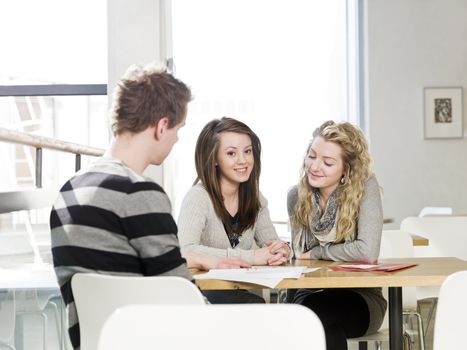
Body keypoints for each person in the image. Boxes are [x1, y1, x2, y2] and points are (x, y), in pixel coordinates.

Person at [49, 64, 250, 350]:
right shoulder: (139, 193)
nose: (177, 139)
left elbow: (117, 267)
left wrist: (187, 258)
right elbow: (183, 300)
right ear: (162, 126)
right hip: (151, 340)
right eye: (178, 130)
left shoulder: (69, 191)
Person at [287, 120, 387, 350]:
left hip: (360, 298)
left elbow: (367, 252)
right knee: (314, 321)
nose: (314, 166)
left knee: (318, 317)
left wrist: (319, 252)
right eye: (311, 156)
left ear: (347, 169)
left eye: (328, 162)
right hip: (308, 294)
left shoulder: (365, 188)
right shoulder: (295, 196)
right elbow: (300, 258)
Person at [178, 117, 289, 303]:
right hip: (203, 294)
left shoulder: (256, 199)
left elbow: (270, 244)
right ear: (214, 159)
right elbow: (186, 250)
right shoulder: (198, 197)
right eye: (231, 153)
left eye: (247, 151)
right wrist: (252, 257)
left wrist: (281, 250)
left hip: (240, 291)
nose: (243, 160)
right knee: (259, 308)